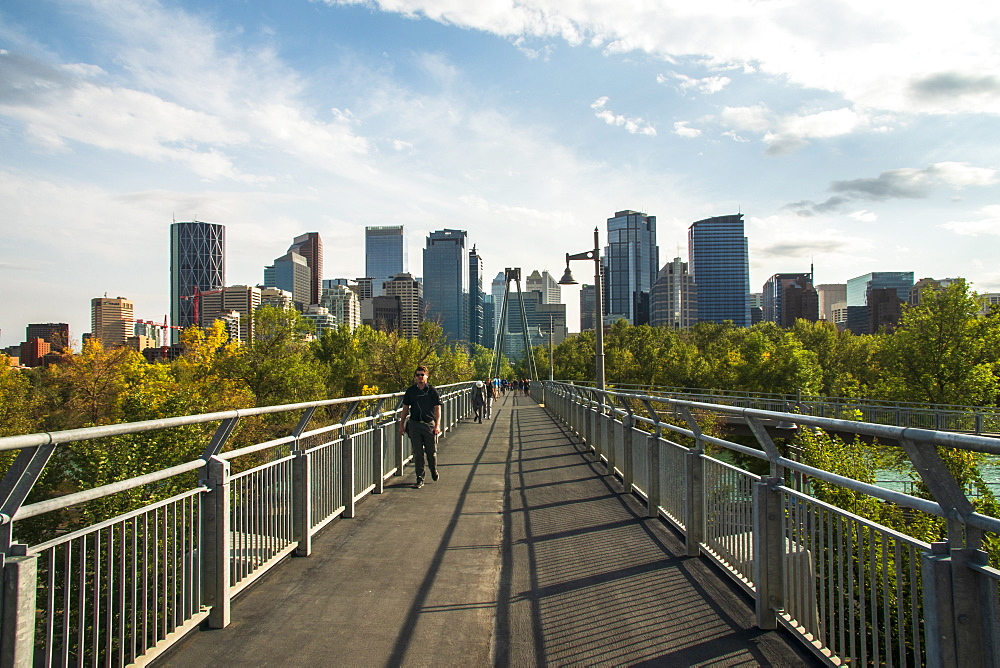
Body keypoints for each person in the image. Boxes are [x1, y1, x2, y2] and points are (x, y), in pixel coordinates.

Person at [399, 365, 442, 489]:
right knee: (418, 453)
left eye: (422, 375)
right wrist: (401, 425)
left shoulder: (432, 391)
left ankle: (433, 470)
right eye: (417, 375)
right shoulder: (411, 391)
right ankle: (419, 478)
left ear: (426, 376)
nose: (420, 377)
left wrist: (437, 425)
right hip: (414, 425)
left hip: (428, 425)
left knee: (431, 453)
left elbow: (437, 408)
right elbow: (405, 408)